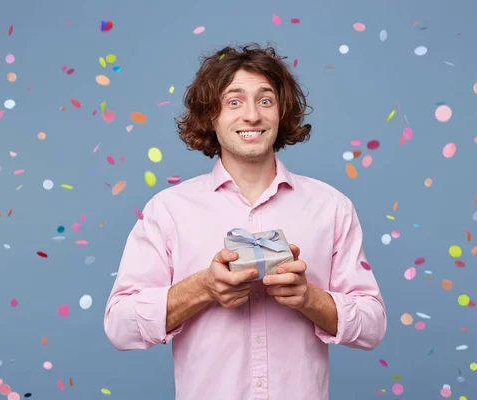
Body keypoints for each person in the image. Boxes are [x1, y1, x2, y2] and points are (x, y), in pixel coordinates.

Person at [103, 42, 387, 400]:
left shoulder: (331, 207)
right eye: (234, 101)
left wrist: (308, 298)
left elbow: (373, 326)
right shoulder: (169, 210)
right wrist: (204, 287)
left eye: (265, 100)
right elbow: (119, 325)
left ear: (281, 113)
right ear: (211, 116)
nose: (251, 116)